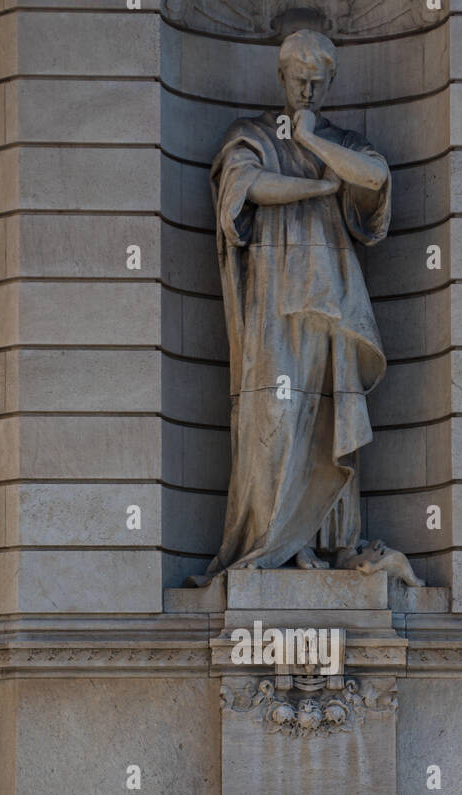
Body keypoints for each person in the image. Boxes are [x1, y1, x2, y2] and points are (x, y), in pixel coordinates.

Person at [190, 30, 392, 583]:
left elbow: (376, 179)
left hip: (333, 307)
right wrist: (322, 190)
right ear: (280, 77)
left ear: (329, 85)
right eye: (298, 80)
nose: (306, 90)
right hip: (273, 306)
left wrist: (315, 141)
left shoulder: (342, 144)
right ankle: (268, 543)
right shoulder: (250, 136)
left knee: (328, 420)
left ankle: (319, 546)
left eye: (317, 83)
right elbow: (246, 189)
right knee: (273, 418)